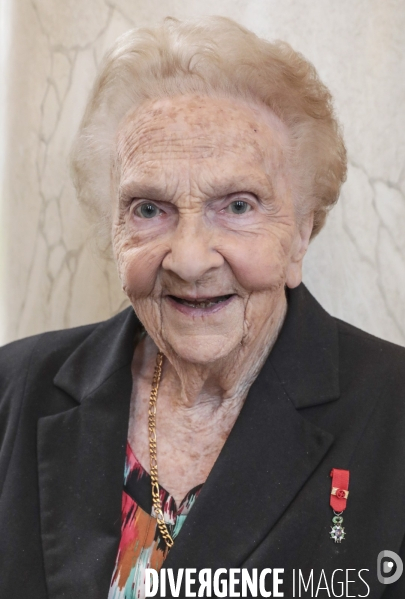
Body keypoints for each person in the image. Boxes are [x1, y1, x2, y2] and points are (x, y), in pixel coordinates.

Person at [0, 15, 404, 599]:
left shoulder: (392, 412)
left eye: (238, 206)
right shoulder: (14, 391)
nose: (188, 260)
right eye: (148, 209)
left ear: (300, 236)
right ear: (112, 229)